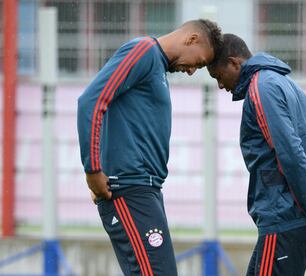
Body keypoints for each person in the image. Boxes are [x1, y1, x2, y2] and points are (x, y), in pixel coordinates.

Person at [77, 19, 223, 275]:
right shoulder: (143, 51)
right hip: (129, 189)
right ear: (192, 39)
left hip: (145, 190)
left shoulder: (155, 66)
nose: (192, 71)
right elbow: (91, 100)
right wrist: (93, 171)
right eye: (198, 63)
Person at [207, 34, 306, 276]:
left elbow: (289, 153)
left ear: (234, 63)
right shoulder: (289, 85)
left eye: (218, 76)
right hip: (300, 217)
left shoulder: (261, 89)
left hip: (285, 217)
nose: (219, 85)